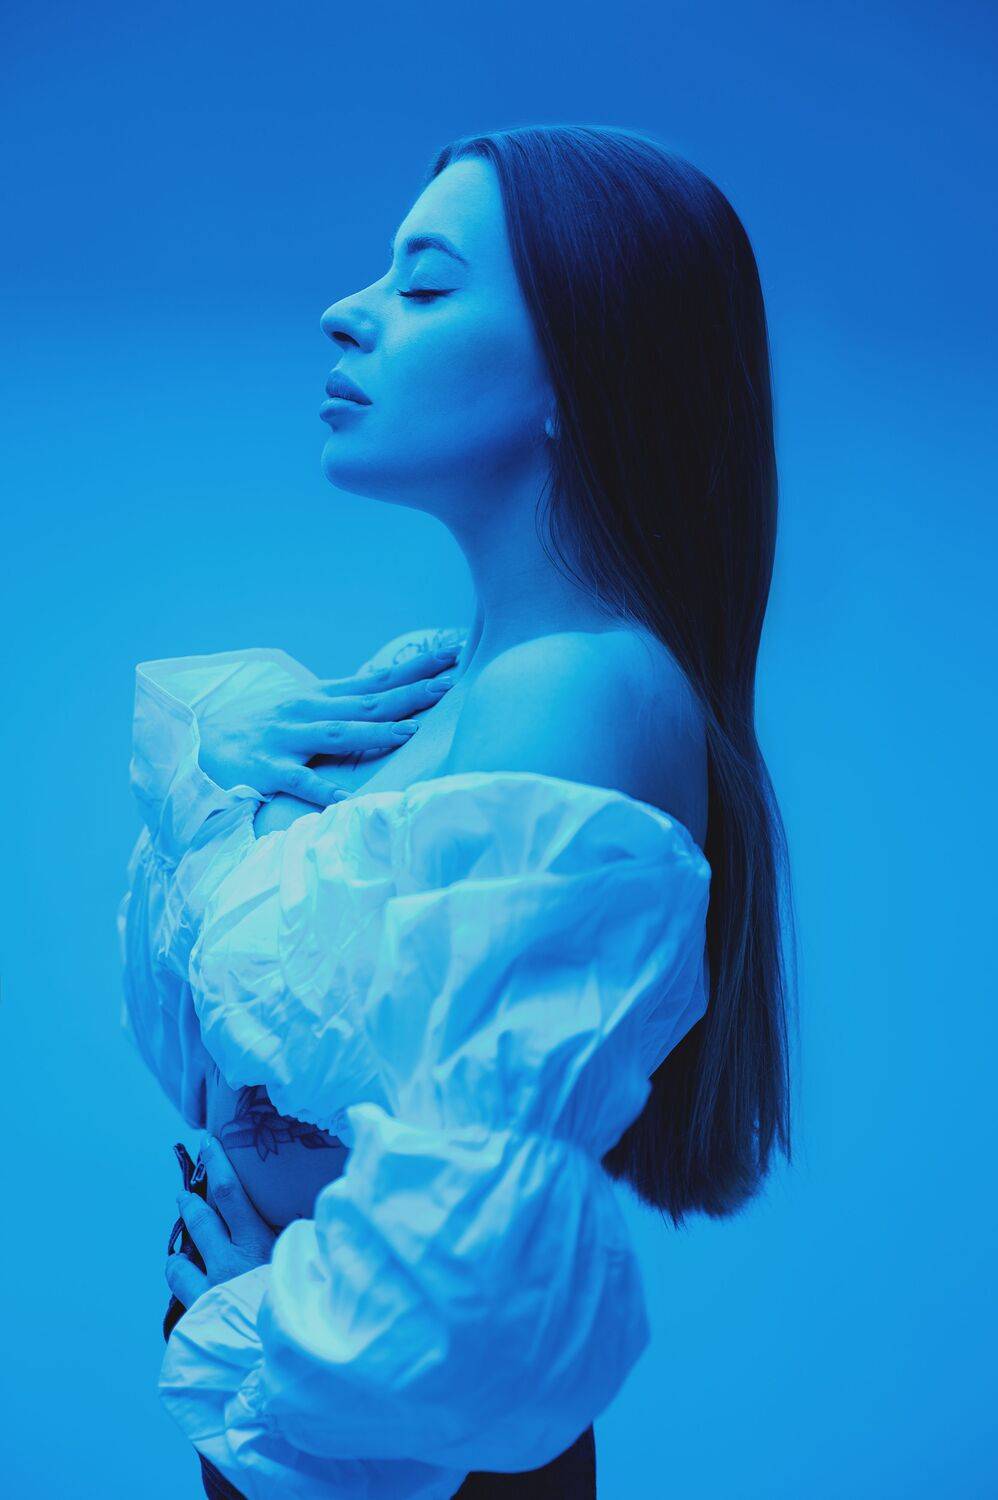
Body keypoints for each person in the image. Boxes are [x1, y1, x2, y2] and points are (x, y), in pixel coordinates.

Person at [118, 123, 796, 1499]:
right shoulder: (440, 684)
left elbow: (472, 1278)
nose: (347, 310)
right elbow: (215, 1056)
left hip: (386, 1454)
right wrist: (220, 775)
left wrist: (252, 1336)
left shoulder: (578, 688)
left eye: (425, 285)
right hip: (317, 1433)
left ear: (582, 369)